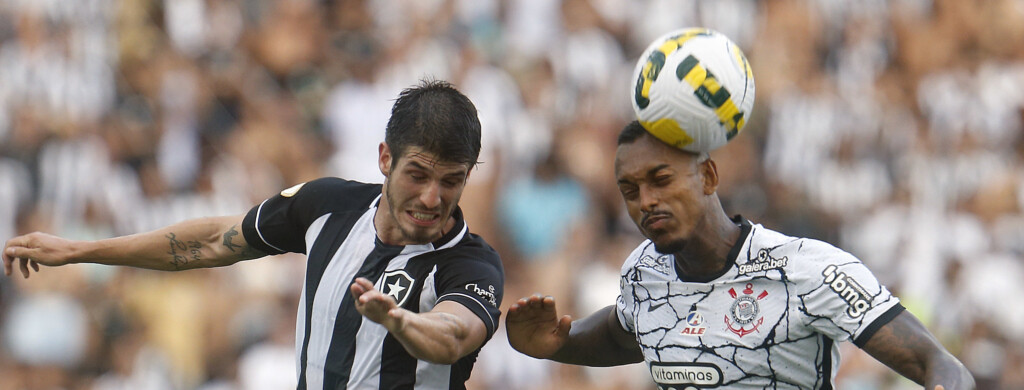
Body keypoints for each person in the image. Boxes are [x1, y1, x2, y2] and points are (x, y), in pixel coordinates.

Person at [3, 79, 505, 390]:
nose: (433, 198)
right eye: (418, 174)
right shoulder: (328, 206)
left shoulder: (470, 265)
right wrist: (81, 250)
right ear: (384, 159)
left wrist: (400, 322)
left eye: (451, 181)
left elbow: (452, 335)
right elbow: (213, 240)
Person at [505, 120, 974, 389]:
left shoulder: (808, 271)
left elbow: (941, 367)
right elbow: (626, 333)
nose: (645, 201)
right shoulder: (641, 272)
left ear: (708, 177)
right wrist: (560, 342)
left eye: (661, 180)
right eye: (630, 190)